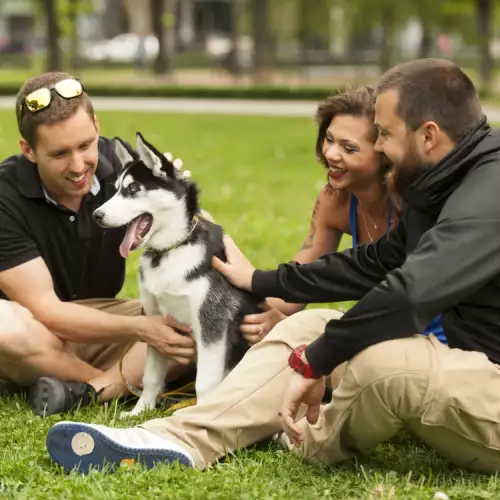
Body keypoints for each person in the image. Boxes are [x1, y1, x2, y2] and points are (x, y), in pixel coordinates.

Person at [49, 58, 500, 476]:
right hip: (461, 360)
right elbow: (376, 261)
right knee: (307, 326)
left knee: (380, 361)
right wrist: (262, 281)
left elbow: (411, 293)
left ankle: (306, 439)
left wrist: (319, 359)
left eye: (384, 134)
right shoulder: (439, 181)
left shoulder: (490, 190)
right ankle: (173, 440)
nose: (379, 146)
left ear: (428, 135)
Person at [0, 72, 197, 417]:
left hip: (100, 321)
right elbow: (48, 312)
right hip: (29, 333)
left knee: (198, 311)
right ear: (28, 151)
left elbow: (200, 238)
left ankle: (86, 393)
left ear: (96, 125)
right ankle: (117, 389)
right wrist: (142, 328)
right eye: (60, 153)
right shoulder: (5, 196)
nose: (78, 166)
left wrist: (175, 197)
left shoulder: (125, 168)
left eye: (85, 146)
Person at [239, 85, 446, 347]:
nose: (330, 154)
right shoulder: (334, 202)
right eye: (329, 139)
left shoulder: (415, 204)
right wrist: (252, 310)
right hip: (373, 330)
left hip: (436, 340)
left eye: (349, 148)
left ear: (385, 151)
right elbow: (301, 278)